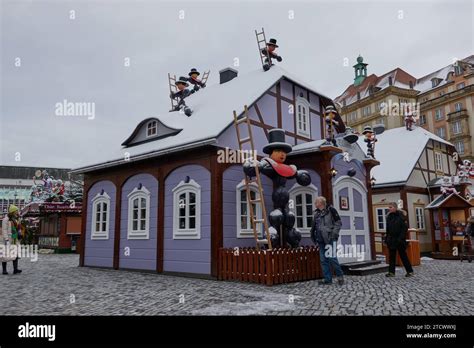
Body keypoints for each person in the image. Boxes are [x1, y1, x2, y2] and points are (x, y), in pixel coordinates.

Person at [310, 196, 344, 285]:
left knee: (332, 258)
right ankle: (328, 279)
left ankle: (340, 276)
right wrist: (313, 235)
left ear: (321, 203)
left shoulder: (331, 210)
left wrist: (333, 235)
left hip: (330, 239)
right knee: (323, 260)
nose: (315, 203)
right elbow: (314, 226)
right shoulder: (316, 213)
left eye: (316, 202)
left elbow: (338, 223)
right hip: (320, 239)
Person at [385, 202, 413, 277]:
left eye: (390, 207)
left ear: (395, 207)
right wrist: (386, 238)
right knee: (392, 256)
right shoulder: (389, 217)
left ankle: (410, 271)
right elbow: (387, 229)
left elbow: (404, 228)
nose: (389, 209)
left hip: (399, 240)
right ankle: (391, 272)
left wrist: (400, 238)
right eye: (389, 207)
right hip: (391, 239)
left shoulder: (401, 216)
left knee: (403, 256)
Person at [1, 204, 22, 275]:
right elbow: (4, 230)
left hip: (15, 239)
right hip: (9, 239)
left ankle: (15, 269)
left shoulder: (16, 219)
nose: (17, 212)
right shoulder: (6, 219)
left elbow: (18, 228)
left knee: (15, 254)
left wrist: (19, 233)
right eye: (16, 210)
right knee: (5, 255)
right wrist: (6, 239)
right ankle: (4, 270)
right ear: (12, 212)